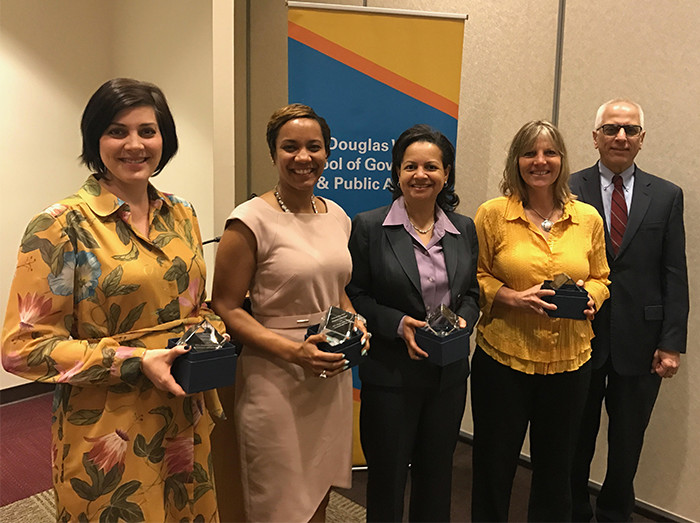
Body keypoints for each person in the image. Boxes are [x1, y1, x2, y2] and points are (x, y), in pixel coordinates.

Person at [1, 78, 225, 522]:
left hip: (184, 417)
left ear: (165, 138)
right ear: (95, 139)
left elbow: (197, 307)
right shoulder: (60, 225)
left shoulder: (182, 213)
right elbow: (20, 349)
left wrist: (213, 331)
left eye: (147, 130)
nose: (134, 145)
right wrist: (135, 360)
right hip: (108, 428)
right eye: (117, 131)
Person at [210, 103, 368, 522]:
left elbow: (338, 291)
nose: (303, 158)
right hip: (274, 377)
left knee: (320, 489)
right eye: (290, 147)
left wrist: (355, 321)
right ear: (273, 153)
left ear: (327, 152)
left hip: (329, 373)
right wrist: (293, 352)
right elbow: (225, 307)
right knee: (277, 498)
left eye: (314, 147)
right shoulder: (249, 220)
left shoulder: (337, 215)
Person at [471, 120, 610, 521]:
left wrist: (592, 299)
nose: (540, 161)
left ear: (562, 161)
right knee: (494, 467)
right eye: (530, 153)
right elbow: (474, 277)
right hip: (504, 360)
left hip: (569, 364)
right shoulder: (493, 215)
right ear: (517, 161)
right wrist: (511, 297)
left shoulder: (588, 218)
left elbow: (602, 276)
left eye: (549, 153)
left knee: (557, 472)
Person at [346, 124, 480, 522]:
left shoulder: (463, 229)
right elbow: (354, 294)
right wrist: (398, 322)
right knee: (387, 481)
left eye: (431, 167)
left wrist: (462, 321)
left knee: (437, 478)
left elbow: (472, 294)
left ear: (446, 174)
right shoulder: (369, 227)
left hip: (448, 375)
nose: (420, 175)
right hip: (390, 375)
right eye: (410, 166)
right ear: (397, 173)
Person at [569, 99, 689, 522]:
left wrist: (671, 343)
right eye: (612, 127)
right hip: (578, 338)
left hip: (641, 344)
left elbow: (675, 273)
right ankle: (574, 511)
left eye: (630, 129)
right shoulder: (567, 188)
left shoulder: (668, 196)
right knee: (574, 439)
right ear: (595, 136)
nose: (621, 136)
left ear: (642, 140)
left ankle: (615, 513)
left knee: (627, 444)